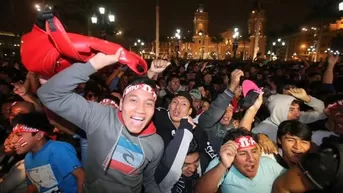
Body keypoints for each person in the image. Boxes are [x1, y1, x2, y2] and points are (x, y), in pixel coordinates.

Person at [37, 50, 167, 193]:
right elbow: (48, 94)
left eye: (149, 104)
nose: (140, 110)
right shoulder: (100, 117)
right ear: (121, 103)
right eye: (133, 100)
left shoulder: (156, 143)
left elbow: (149, 182)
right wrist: (92, 65)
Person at [11, 113, 84, 193]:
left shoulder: (57, 150)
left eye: (19, 135)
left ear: (39, 135)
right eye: (13, 135)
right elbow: (32, 185)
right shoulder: (28, 159)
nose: (13, 141)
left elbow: (81, 176)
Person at [195, 128, 285, 193]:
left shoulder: (268, 163)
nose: (251, 158)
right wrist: (222, 165)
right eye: (242, 153)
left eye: (254, 151)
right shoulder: (221, 163)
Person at [252, 88, 326, 142]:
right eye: (291, 110)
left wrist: (307, 98)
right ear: (278, 110)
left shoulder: (296, 119)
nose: (297, 113)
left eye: (298, 109)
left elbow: (323, 113)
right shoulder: (260, 131)